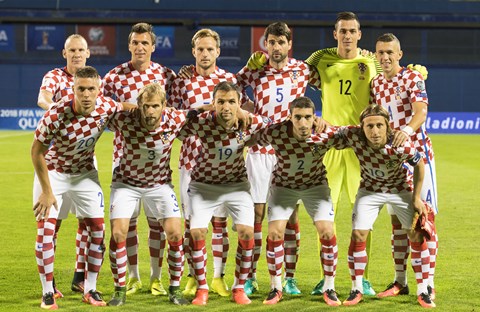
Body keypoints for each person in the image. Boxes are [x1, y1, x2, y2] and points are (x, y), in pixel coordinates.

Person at [32, 66, 130, 309]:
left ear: (99, 90)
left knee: (97, 230)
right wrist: (46, 191)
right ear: (73, 89)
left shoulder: (106, 106)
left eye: (91, 89)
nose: (86, 94)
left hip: (84, 173)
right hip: (53, 172)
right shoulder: (56, 113)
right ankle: (47, 292)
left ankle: (90, 288)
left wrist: (150, 108)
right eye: (81, 89)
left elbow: (125, 107)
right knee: (46, 230)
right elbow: (36, 152)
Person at [236, 21, 321, 296]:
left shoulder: (303, 69)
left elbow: (330, 84)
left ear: (289, 44)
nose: (275, 47)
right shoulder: (256, 70)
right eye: (271, 42)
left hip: (290, 152)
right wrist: (246, 104)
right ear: (266, 44)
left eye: (280, 42)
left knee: (291, 217)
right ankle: (250, 277)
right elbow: (229, 88)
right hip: (260, 151)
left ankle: (290, 278)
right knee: (256, 216)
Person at [321, 104, 434, 308]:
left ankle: (423, 290)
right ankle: (356, 289)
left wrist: (417, 198)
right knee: (358, 235)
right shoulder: (353, 135)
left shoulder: (399, 142)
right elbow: (331, 130)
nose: (374, 131)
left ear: (387, 126)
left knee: (415, 235)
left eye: (379, 125)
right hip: (370, 191)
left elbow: (419, 164)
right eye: (369, 126)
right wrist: (318, 121)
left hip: (400, 190)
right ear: (361, 127)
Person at [305, 12, 381, 296]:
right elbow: (296, 77)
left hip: (361, 147)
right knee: (324, 215)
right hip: (330, 146)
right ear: (334, 34)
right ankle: (327, 277)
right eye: (342, 31)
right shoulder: (320, 59)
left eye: (352, 31)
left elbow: (391, 76)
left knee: (364, 214)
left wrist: (415, 71)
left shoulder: (369, 61)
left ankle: (364, 277)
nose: (347, 35)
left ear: (359, 34)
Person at [177, 81, 270, 305]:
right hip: (203, 185)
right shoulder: (202, 123)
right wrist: (200, 110)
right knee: (196, 232)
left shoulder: (249, 122)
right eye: (220, 102)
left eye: (231, 102)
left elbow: (271, 125)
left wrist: (248, 116)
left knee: (248, 232)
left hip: (236, 185)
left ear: (239, 104)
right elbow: (176, 125)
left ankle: (239, 287)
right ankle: (202, 288)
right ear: (214, 103)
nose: (226, 107)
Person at [102, 22, 176, 297]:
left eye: (145, 43)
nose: (140, 47)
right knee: (128, 223)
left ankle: (156, 278)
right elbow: (103, 111)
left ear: (153, 47)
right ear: (129, 45)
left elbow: (176, 110)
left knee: (158, 223)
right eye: (136, 42)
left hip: (158, 162)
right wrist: (126, 111)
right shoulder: (114, 77)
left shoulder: (166, 75)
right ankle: (132, 277)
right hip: (125, 160)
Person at [168, 28, 242, 297]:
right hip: (190, 161)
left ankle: (218, 276)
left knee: (219, 223)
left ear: (218, 52)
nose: (205, 53)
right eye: (200, 49)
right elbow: (173, 118)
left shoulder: (228, 80)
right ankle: (192, 275)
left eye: (210, 49)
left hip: (222, 162)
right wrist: (199, 111)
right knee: (191, 224)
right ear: (193, 51)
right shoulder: (181, 82)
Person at [106, 83, 192, 306]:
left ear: (164, 106)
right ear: (139, 106)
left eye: (155, 106)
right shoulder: (125, 119)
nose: (150, 111)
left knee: (174, 234)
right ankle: (119, 289)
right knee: (118, 233)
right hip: (126, 184)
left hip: (159, 184)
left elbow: (198, 113)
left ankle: (174, 288)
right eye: (146, 106)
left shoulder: (174, 119)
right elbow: (100, 111)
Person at [254, 97, 341, 306]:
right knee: (275, 232)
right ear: (290, 117)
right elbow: (250, 136)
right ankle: (276, 287)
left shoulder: (325, 134)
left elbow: (354, 135)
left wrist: (328, 125)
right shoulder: (276, 132)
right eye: (298, 117)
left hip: (315, 186)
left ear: (314, 117)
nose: (303, 123)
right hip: (284, 186)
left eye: (308, 117)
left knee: (327, 231)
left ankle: (329, 287)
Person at [370, 33, 438, 300]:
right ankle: (400, 282)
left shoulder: (412, 78)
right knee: (398, 222)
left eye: (390, 52)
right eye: (380, 53)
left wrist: (407, 130)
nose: (385, 57)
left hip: (418, 155)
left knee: (423, 221)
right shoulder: (376, 84)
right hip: (392, 161)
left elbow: (421, 111)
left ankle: (426, 287)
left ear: (400, 54)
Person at [37, 34, 92, 296]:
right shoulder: (55, 76)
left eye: (81, 50)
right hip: (55, 163)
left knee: (87, 223)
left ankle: (80, 276)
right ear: (64, 53)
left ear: (88, 53)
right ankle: (50, 283)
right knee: (53, 224)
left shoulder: (91, 80)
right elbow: (43, 99)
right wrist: (61, 111)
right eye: (72, 50)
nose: (77, 54)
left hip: (83, 164)